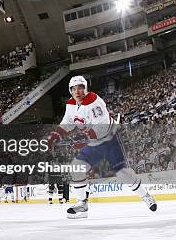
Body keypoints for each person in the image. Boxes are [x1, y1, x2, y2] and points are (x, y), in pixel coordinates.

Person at [47, 76, 157, 218]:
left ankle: (145, 196)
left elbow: (101, 128)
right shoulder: (71, 104)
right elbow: (67, 122)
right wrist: (55, 135)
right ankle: (82, 205)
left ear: (85, 88)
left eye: (80, 87)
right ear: (70, 91)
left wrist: (83, 138)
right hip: (94, 143)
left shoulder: (94, 101)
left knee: (123, 173)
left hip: (110, 140)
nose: (77, 91)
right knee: (77, 167)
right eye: (74, 89)